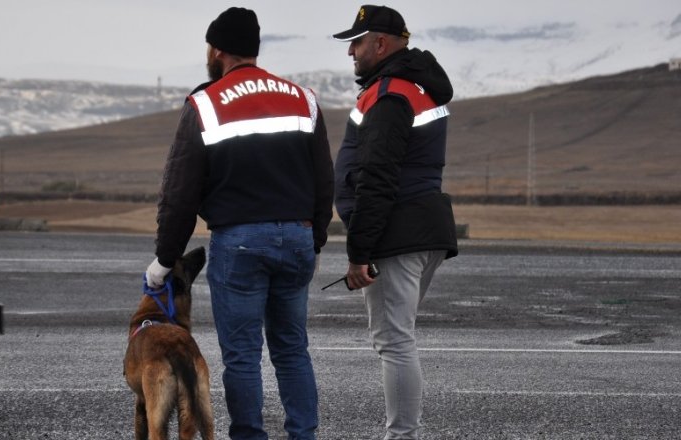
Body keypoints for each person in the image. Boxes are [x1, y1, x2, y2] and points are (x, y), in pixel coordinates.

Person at [144, 7, 334, 440]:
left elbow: (179, 192)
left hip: (241, 242)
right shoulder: (303, 99)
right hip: (298, 237)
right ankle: (304, 435)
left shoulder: (205, 104)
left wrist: (164, 257)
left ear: (217, 50)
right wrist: (315, 238)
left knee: (243, 356)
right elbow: (325, 179)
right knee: (292, 351)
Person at [331, 5, 458, 439]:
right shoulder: (413, 86)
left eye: (357, 42)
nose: (351, 52)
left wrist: (359, 251)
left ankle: (402, 434)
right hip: (422, 227)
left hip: (398, 233)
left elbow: (378, 176)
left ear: (380, 43)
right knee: (398, 338)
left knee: (394, 341)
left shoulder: (389, 94)